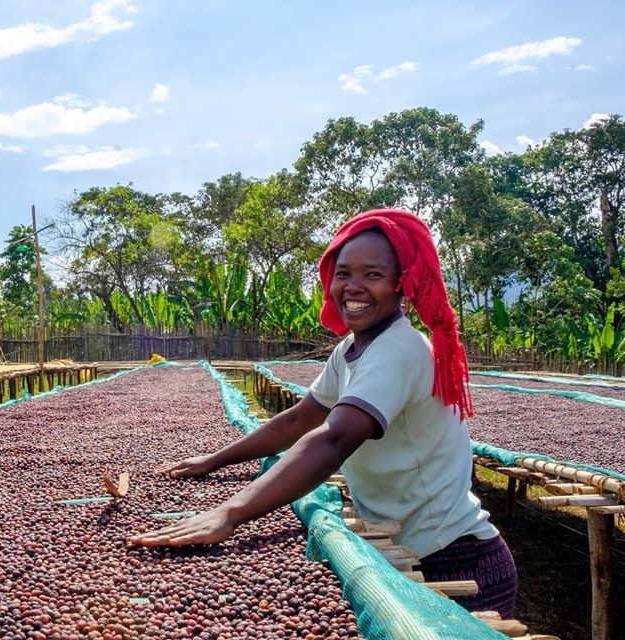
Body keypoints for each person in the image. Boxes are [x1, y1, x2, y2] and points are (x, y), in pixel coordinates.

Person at [129, 208, 517, 617]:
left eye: (373, 275)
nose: (353, 287)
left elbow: (333, 438)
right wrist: (214, 461)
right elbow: (300, 419)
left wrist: (230, 513)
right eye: (344, 273)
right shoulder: (352, 349)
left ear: (401, 284)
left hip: (453, 559)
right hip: (409, 549)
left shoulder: (397, 349)